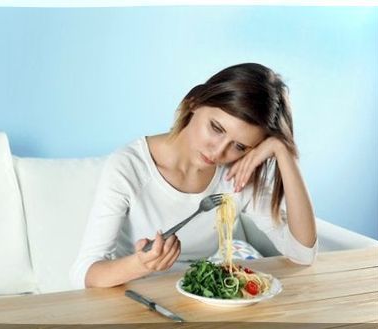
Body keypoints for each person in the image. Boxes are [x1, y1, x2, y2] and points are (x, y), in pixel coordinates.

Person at [69, 63, 318, 289]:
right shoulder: (130, 166)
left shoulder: (237, 174)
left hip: (200, 298)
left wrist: (284, 151)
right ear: (194, 103)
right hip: (134, 294)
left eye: (239, 146)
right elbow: (84, 273)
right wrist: (141, 264)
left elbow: (302, 253)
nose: (219, 152)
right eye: (216, 128)